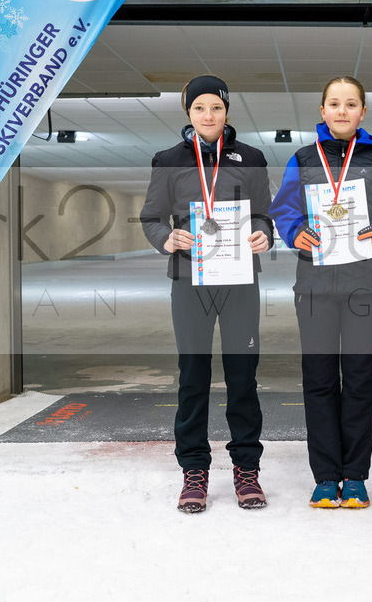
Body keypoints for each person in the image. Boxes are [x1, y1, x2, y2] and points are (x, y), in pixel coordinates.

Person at [270, 76, 372, 509]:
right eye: (334, 103)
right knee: (318, 382)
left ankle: (354, 476)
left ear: (363, 112)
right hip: (314, 287)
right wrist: (294, 232)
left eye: (351, 104)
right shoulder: (302, 158)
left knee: (360, 382)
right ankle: (325, 476)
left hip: (363, 287)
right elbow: (283, 209)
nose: (342, 111)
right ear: (322, 111)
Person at [140, 75, 274, 513]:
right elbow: (151, 217)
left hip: (239, 280)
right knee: (193, 377)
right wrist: (166, 238)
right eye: (199, 107)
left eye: (216, 107)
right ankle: (194, 470)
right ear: (188, 113)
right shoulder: (168, 160)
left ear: (226, 110)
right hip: (189, 280)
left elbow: (264, 214)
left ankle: (246, 468)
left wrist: (263, 233)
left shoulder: (251, 158)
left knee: (243, 378)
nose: (208, 115)